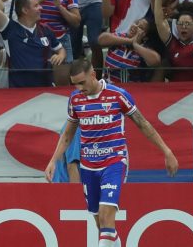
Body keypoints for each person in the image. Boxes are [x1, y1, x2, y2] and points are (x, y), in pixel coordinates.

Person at [45, 58, 179, 247]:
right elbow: (68, 134)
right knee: (101, 224)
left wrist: (167, 151)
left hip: (114, 161)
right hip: (89, 166)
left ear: (93, 75)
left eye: (82, 83)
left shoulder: (118, 95)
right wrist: (53, 161)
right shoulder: (75, 100)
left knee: (107, 214)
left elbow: (143, 124)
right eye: (75, 84)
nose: (78, 88)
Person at [0, 0, 66, 88]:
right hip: (19, 89)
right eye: (36, 6)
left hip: (45, 87)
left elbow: (61, 49)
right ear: (25, 10)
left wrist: (60, 55)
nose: (41, 8)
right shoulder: (10, 28)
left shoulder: (45, 30)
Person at [26, 0, 81, 86]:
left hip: (61, 40)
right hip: (35, 41)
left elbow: (76, 21)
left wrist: (59, 6)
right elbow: (23, 13)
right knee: (35, 85)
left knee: (62, 83)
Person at [99, 17, 161, 83]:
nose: (135, 27)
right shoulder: (119, 38)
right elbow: (101, 39)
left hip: (132, 90)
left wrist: (135, 45)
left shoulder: (143, 48)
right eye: (136, 23)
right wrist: (130, 41)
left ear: (145, 36)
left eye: (141, 27)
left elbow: (156, 60)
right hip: (108, 87)